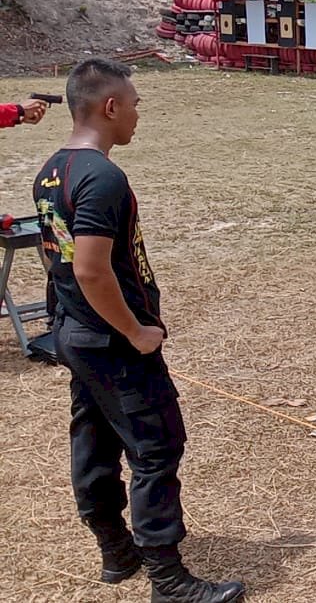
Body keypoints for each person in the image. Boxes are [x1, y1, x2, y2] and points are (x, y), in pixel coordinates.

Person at [31, 58, 245, 603]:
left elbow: (53, 255)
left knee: (96, 437)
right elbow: (89, 268)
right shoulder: (103, 177)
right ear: (109, 107)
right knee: (155, 448)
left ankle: (115, 550)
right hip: (110, 339)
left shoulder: (52, 169)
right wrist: (136, 331)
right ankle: (168, 579)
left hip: (75, 332)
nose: (136, 114)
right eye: (133, 103)